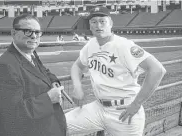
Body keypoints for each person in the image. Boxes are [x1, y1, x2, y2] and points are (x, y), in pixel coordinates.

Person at [66, 6, 166, 136]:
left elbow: (157, 70)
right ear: (89, 25)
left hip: (124, 111)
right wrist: (77, 87)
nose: (98, 25)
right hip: (98, 107)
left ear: (110, 24)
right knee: (60, 124)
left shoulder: (124, 45)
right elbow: (77, 66)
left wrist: (136, 104)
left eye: (103, 21)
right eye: (94, 21)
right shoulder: (91, 45)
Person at [0, 14, 66, 136]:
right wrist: (49, 99)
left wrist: (54, 82)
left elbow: (44, 71)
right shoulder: (4, 66)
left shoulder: (31, 54)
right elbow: (11, 114)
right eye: (28, 31)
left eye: (37, 32)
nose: (34, 36)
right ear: (13, 33)